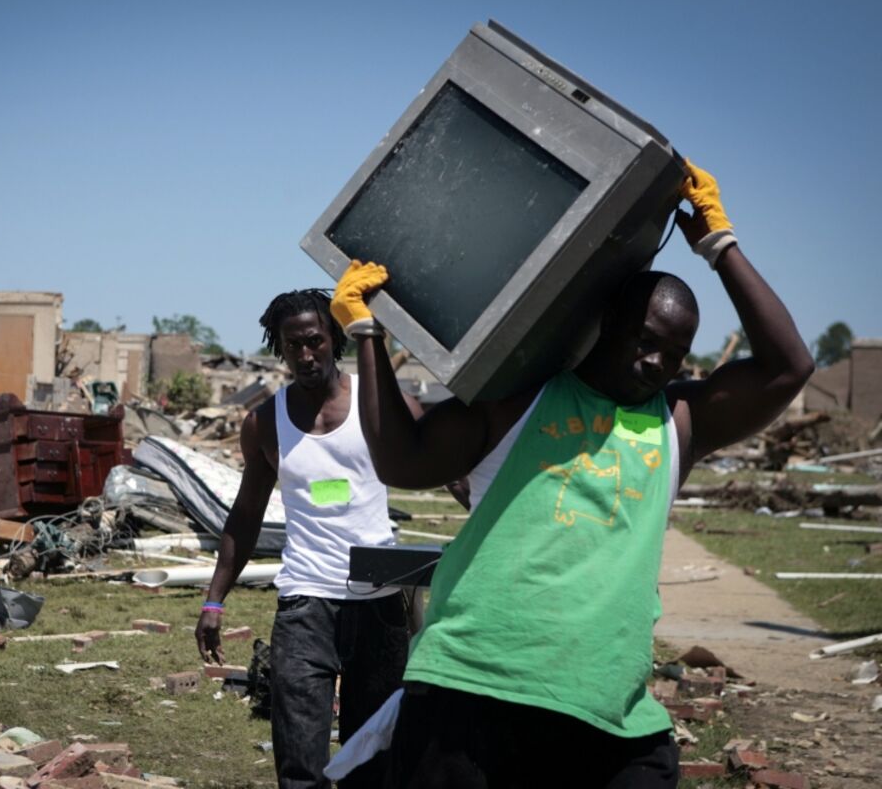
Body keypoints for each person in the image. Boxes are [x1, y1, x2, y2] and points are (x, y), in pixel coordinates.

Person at [330, 162, 814, 788]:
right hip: (473, 687)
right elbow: (404, 460)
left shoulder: (677, 423)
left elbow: (788, 367)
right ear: (608, 324)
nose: (657, 362)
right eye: (646, 340)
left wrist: (719, 243)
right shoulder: (523, 398)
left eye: (674, 353)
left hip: (604, 706)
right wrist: (365, 334)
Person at [194, 288, 421, 789]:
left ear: (335, 338)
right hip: (305, 603)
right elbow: (246, 514)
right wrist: (213, 601)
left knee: (372, 758)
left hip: (378, 602)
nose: (305, 354)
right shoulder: (264, 423)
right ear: (279, 347)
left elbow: (451, 469)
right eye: (292, 344)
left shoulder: (378, 404)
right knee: (299, 757)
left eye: (314, 340)